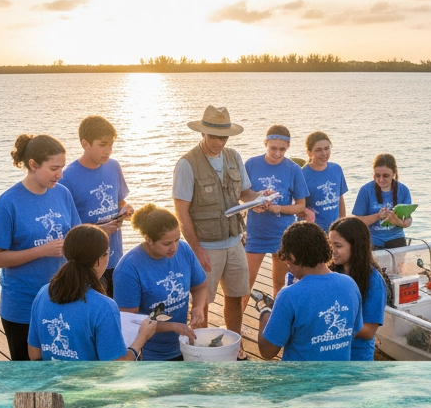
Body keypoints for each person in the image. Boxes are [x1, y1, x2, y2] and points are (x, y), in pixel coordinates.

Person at [172, 105, 264, 353]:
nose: (219, 142)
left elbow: (246, 193)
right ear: (202, 133)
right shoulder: (187, 164)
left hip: (234, 242)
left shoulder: (234, 157)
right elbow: (181, 212)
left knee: (236, 296)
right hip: (206, 245)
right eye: (213, 136)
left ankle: (235, 345)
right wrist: (197, 249)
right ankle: (198, 349)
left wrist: (259, 199)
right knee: (201, 301)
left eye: (224, 137)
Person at [0, 134, 81, 361]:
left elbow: (76, 235)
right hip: (22, 307)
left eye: (62, 167)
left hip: (61, 299)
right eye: (54, 168)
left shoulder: (62, 193)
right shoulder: (8, 203)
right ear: (33, 164)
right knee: (28, 375)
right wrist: (41, 251)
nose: (60, 174)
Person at [28, 224, 157, 361]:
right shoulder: (104, 306)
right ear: (97, 261)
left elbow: (34, 354)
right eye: (108, 252)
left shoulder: (43, 293)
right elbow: (115, 367)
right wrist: (142, 337)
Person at [113, 204, 209, 361]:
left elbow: (200, 286)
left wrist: (198, 307)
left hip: (182, 344)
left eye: (177, 240)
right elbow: (130, 320)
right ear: (148, 239)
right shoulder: (128, 269)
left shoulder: (184, 250)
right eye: (166, 244)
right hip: (147, 352)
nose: (174, 248)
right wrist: (173, 326)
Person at [256, 221, 362, 361]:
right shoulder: (350, 284)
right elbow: (354, 330)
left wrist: (265, 313)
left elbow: (267, 351)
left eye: (287, 261)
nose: (288, 267)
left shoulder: (289, 295)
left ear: (293, 257)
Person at [60, 115, 132, 297]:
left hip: (115, 258)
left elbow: (120, 202)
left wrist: (125, 210)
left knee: (117, 309)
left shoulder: (114, 166)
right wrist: (99, 229)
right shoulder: (67, 178)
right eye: (102, 145)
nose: (108, 151)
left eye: (111, 145)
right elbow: (65, 229)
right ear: (85, 143)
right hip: (89, 264)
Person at [244, 124, 309, 297]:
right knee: (245, 284)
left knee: (280, 285)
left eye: (282, 149)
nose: (277, 154)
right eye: (273, 148)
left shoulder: (293, 169)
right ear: (265, 143)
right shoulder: (251, 164)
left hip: (282, 235)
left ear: (288, 147)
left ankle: (277, 314)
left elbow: (300, 206)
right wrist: (253, 203)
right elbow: (241, 194)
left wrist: (279, 208)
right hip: (255, 233)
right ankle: (237, 317)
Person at [328, 217, 386, 361]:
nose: (332, 251)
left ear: (356, 246)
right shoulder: (330, 273)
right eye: (330, 245)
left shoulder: (374, 280)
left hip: (357, 355)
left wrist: (328, 326)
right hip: (330, 350)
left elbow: (369, 331)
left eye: (338, 246)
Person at [351, 153, 413, 249]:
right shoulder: (365, 190)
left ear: (394, 174)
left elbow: (408, 219)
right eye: (377, 175)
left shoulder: (403, 190)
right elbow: (357, 221)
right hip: (372, 239)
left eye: (385, 176)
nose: (381, 180)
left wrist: (398, 222)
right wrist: (378, 216)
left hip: (396, 237)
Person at [301, 130, 348, 231]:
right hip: (312, 231)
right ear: (309, 153)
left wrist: (343, 225)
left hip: (335, 230)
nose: (324, 153)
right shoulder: (302, 174)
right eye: (318, 150)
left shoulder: (336, 169)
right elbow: (296, 206)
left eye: (327, 148)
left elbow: (340, 199)